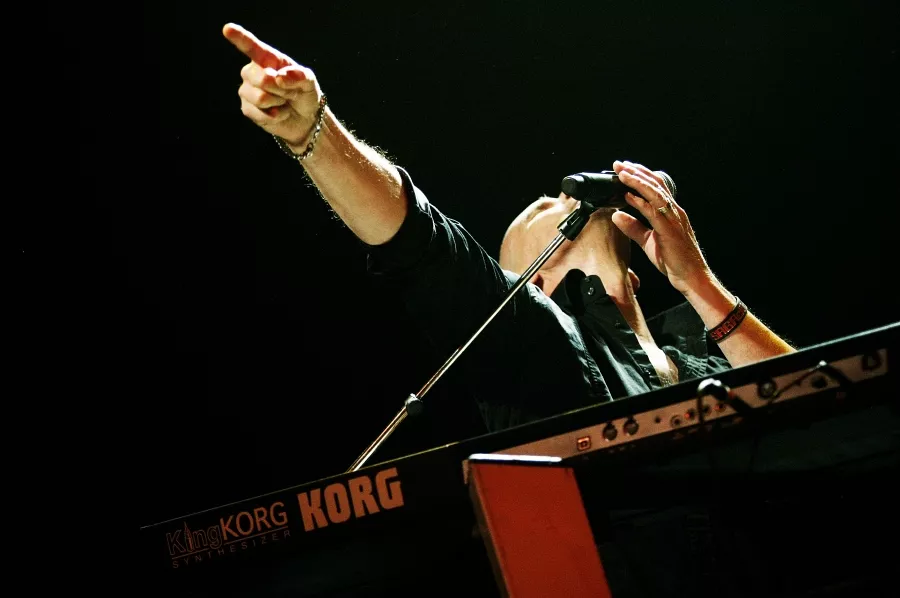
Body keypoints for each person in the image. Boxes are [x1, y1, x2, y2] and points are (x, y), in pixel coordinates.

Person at [221, 23, 795, 439]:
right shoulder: (531, 338)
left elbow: (820, 403)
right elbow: (420, 243)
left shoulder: (702, 352)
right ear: (531, 283)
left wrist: (698, 284)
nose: (563, 196)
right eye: (541, 207)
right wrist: (314, 133)